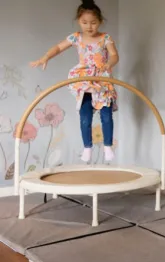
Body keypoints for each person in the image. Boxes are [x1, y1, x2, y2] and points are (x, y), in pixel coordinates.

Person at [30, 0, 119, 163]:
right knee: (85, 117)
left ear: (100, 21)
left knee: (106, 116)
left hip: (101, 79)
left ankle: (107, 146)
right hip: (84, 79)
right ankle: (87, 147)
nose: (89, 26)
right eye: (84, 22)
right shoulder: (76, 37)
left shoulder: (105, 38)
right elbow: (58, 48)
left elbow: (114, 55)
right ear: (79, 21)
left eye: (93, 22)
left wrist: (109, 64)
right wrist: (45, 57)